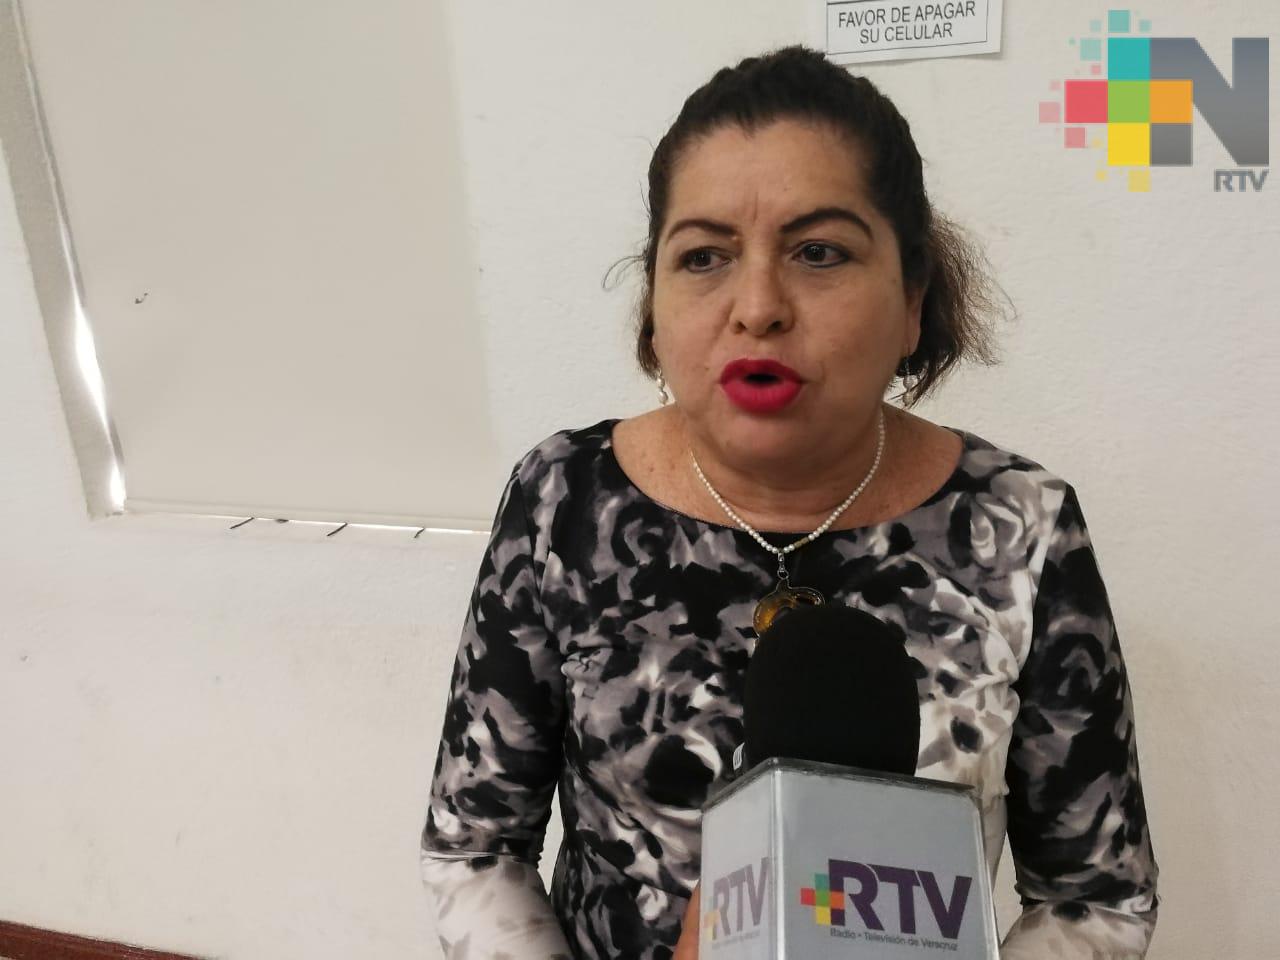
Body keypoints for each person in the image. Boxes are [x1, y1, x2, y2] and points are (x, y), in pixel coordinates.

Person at [419, 45, 1158, 959]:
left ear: (913, 299)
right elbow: (475, 847)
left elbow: (1097, 896)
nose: (758, 305)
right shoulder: (563, 499)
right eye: (704, 257)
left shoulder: (1022, 526)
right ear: (653, 305)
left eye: (819, 252)